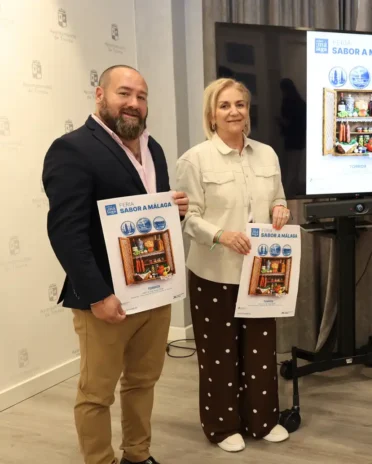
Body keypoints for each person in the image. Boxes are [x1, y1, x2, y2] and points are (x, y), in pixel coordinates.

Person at [42, 65, 189, 464]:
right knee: (96, 393)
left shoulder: (153, 149)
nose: (134, 103)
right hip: (106, 301)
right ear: (99, 95)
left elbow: (149, 219)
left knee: (143, 381)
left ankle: (137, 455)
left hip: (154, 290)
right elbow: (66, 232)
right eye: (124, 93)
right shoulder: (72, 149)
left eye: (141, 97)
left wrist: (173, 211)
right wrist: (97, 295)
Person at [176, 78, 292, 453]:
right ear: (212, 114)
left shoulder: (267, 155)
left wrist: (280, 208)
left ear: (248, 110)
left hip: (261, 272)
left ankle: (262, 420)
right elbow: (188, 218)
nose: (234, 111)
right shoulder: (194, 160)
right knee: (219, 353)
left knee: (261, 349)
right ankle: (222, 426)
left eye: (240, 104)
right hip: (214, 272)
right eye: (224, 105)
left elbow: (277, 198)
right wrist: (221, 235)